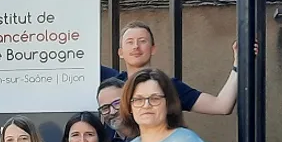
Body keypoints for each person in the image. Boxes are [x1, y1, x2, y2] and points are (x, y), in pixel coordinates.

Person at [100, 20, 240, 116]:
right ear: (120, 53)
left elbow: (221, 106)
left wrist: (238, 64)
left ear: (153, 49)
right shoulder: (112, 87)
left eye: (142, 41)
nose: (136, 46)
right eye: (130, 42)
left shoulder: (168, 86)